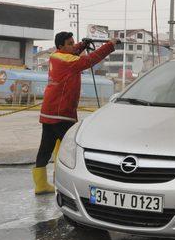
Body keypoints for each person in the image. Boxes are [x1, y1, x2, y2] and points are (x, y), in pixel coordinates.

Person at [32, 31, 118, 194]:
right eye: (70, 43)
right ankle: (65, 184)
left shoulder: (56, 56)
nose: (73, 45)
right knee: (71, 151)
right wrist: (110, 45)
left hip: (49, 112)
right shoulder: (69, 61)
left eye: (73, 42)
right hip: (62, 114)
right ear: (61, 46)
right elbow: (90, 60)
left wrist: (82, 45)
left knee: (45, 149)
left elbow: (72, 53)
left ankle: (41, 185)